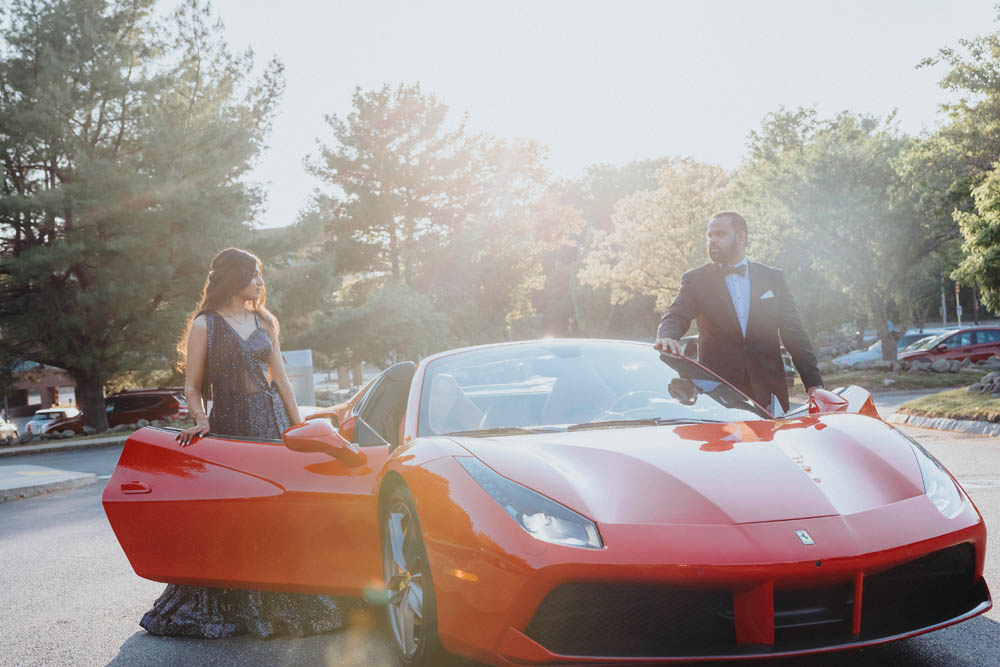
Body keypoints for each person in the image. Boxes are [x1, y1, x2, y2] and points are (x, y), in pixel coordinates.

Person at [139, 247, 355, 638]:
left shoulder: (264, 321)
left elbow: (283, 384)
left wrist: (300, 431)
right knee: (233, 515)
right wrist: (201, 421)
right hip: (228, 427)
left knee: (278, 510)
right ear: (234, 278)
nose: (260, 282)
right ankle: (236, 607)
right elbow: (191, 386)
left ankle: (288, 600)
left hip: (270, 425)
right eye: (254, 275)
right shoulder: (205, 324)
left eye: (260, 275)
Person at [654, 211, 823, 412]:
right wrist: (667, 336)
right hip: (717, 397)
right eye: (710, 236)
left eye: (720, 234)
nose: (713, 240)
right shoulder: (696, 280)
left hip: (769, 396)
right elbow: (677, 314)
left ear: (741, 237)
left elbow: (794, 335)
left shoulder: (773, 278)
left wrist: (814, 385)